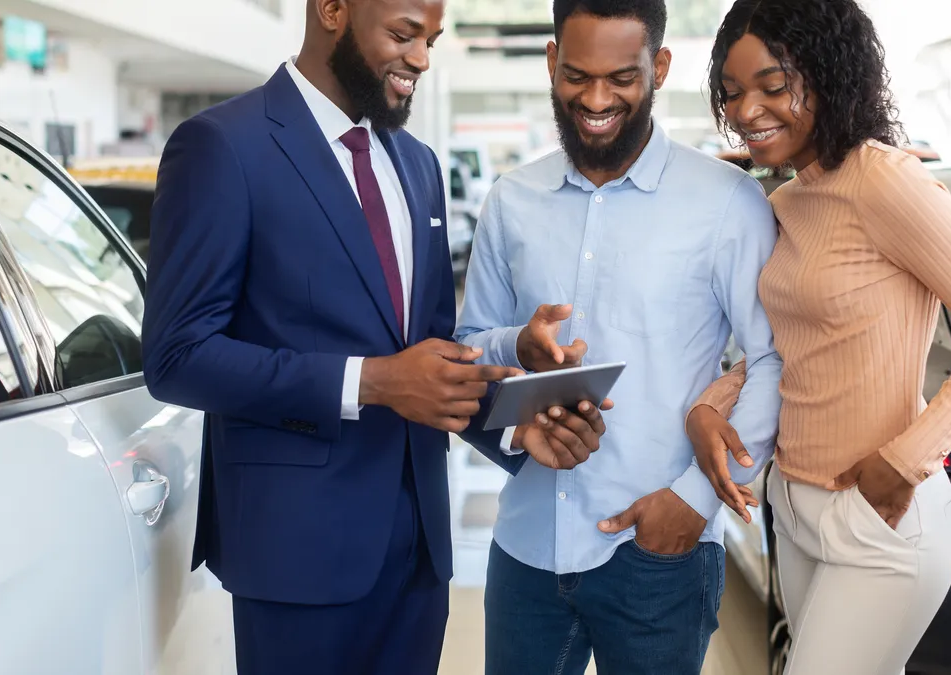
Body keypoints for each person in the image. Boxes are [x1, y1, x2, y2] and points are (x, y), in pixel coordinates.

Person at [142, 1, 609, 673]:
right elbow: (177, 354)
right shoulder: (222, 146)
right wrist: (372, 380)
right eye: (404, 33)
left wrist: (512, 420)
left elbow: (428, 357)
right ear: (332, 9)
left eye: (431, 39)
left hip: (417, 553)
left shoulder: (417, 165)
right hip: (297, 559)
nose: (422, 57)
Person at [685, 1, 951, 673]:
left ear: (826, 72)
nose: (747, 110)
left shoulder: (885, 180)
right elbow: (788, 343)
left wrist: (908, 457)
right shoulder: (787, 202)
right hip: (791, 504)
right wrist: (711, 403)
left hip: (878, 518)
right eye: (731, 94)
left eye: (772, 84)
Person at [454, 1, 782, 673]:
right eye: (576, 75)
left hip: (659, 552)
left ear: (658, 66)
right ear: (551, 62)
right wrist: (518, 357)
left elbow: (774, 359)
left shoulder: (727, 202)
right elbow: (466, 354)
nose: (596, 99)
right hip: (525, 551)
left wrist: (693, 503)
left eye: (621, 77)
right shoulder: (511, 200)